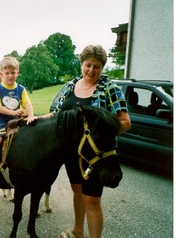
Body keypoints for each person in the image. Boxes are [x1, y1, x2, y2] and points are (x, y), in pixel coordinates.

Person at [40, 45, 131, 238]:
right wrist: (35, 119)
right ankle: (78, 231)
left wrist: (100, 132)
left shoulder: (110, 89)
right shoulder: (71, 85)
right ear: (81, 64)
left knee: (92, 200)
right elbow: (57, 115)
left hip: (95, 155)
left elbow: (125, 122)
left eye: (96, 66)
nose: (91, 70)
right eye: (88, 65)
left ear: (102, 67)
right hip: (71, 153)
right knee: (78, 192)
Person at [0, 56, 35, 185]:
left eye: (13, 73)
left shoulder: (21, 89)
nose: (10, 76)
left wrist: (30, 115)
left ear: (17, 73)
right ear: (1, 74)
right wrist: (13, 112)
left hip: (15, 119)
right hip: (0, 119)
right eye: (7, 73)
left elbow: (27, 103)